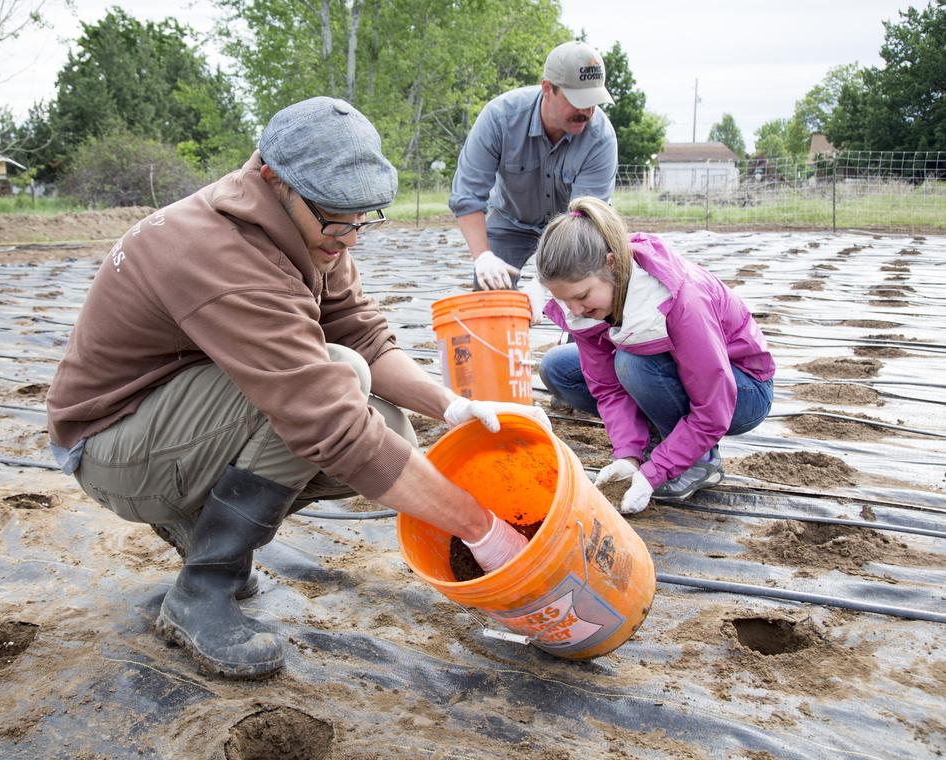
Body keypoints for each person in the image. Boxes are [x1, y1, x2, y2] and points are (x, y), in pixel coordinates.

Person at [45, 96, 548, 681]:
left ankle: (203, 530)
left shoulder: (308, 228)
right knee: (334, 393)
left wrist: (452, 404)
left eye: (364, 217)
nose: (352, 237)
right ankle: (200, 590)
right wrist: (481, 529)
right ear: (272, 179)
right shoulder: (219, 253)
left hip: (171, 418)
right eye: (339, 218)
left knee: (388, 425)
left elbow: (362, 334)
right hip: (110, 446)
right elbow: (324, 418)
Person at [533, 197, 775, 514]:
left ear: (611, 264)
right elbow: (606, 387)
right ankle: (659, 436)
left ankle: (700, 460)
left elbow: (714, 408)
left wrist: (654, 472)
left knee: (632, 363)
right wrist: (628, 455)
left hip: (741, 391)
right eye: (565, 301)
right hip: (671, 373)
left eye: (582, 296)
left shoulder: (681, 300)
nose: (576, 310)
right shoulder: (585, 308)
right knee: (557, 367)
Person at [449, 40, 618, 292]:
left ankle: (581, 332)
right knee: (490, 290)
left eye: (593, 101)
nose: (586, 110)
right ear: (548, 89)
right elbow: (467, 197)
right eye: (577, 100)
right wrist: (483, 257)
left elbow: (584, 219)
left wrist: (543, 286)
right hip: (510, 221)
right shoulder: (499, 118)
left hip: (573, 227)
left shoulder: (600, 138)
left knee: (590, 294)